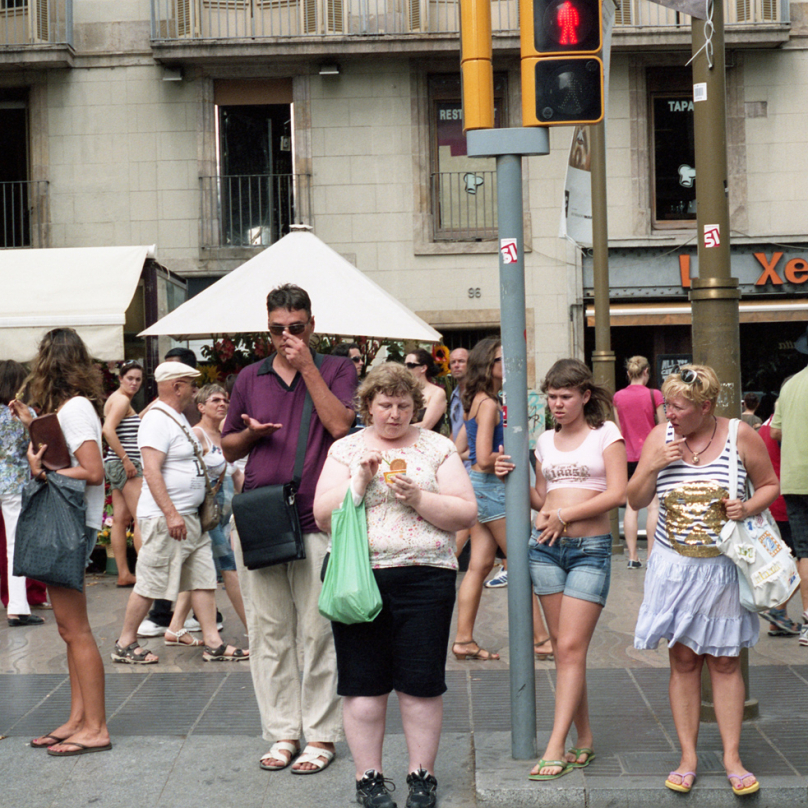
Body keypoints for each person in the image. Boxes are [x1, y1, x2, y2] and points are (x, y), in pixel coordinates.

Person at [313, 362, 476, 808]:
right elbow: (322, 516)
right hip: (358, 578)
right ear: (368, 405)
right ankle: (369, 779)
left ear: (414, 407)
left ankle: (421, 777)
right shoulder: (345, 450)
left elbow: (465, 512)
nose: (394, 414)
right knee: (363, 684)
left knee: (421, 684)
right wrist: (358, 484)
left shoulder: (436, 446)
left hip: (426, 577)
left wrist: (419, 498)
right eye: (385, 405)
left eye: (403, 405)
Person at [222, 283, 357, 774]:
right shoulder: (250, 377)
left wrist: (307, 368)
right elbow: (229, 447)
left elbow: (341, 425)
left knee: (319, 632)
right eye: (277, 329)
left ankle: (321, 734)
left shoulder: (337, 368)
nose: (286, 337)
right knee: (269, 632)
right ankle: (282, 731)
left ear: (311, 326)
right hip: (260, 518)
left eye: (295, 328)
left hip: (315, 518)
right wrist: (250, 435)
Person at [630, 365, 778, 795]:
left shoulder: (739, 435)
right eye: (666, 404)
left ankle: (732, 757)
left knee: (726, 661)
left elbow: (769, 484)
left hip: (723, 569)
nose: (668, 413)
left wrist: (746, 508)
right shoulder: (661, 438)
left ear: (705, 407)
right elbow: (634, 499)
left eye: (677, 406)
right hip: (674, 568)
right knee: (684, 660)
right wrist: (651, 466)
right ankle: (688, 757)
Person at [496, 358, 627, 780]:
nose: (557, 404)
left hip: (589, 548)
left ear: (585, 396)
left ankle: (556, 745)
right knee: (565, 648)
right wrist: (508, 478)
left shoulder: (606, 434)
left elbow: (618, 493)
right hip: (545, 548)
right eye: (551, 397)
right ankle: (583, 738)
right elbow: (541, 497)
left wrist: (567, 517)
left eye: (565, 397)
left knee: (569, 648)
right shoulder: (544, 441)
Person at [10, 328, 110, 755]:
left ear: (48, 364)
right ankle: (78, 718)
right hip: (74, 523)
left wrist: (42, 472)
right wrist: (35, 429)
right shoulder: (71, 410)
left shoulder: (75, 410)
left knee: (77, 629)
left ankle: (96, 727)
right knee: (69, 630)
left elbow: (92, 471)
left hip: (73, 526)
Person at [112, 362, 248, 665]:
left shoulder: (176, 418)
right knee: (150, 581)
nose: (195, 391)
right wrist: (171, 514)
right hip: (167, 519)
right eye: (191, 384)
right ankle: (125, 643)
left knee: (202, 579)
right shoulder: (157, 420)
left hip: (190, 518)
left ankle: (213, 643)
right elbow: (152, 470)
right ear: (176, 386)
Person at [163, 383, 247, 646]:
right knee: (229, 567)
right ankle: (255, 630)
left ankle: (175, 627)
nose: (222, 404)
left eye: (225, 400)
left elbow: (236, 474)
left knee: (199, 571)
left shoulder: (225, 436)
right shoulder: (196, 434)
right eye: (215, 400)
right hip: (206, 511)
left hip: (225, 512)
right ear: (200, 406)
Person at [453, 339, 512, 660]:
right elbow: (482, 458)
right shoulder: (489, 403)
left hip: (480, 487)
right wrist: (501, 459)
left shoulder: (476, 399)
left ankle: (463, 640)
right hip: (490, 487)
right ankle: (542, 638)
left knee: (480, 565)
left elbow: (462, 449)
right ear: (487, 364)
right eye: (500, 358)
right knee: (519, 564)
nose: (507, 362)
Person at [1, 360, 44, 627]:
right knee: (15, 546)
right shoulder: (26, 413)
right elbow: (42, 443)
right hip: (15, 484)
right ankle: (17, 607)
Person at [613, 355, 664, 567]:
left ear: (628, 374)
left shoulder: (617, 397)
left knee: (632, 506)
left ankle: (632, 557)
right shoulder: (655, 394)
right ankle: (651, 555)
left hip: (628, 456)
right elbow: (663, 427)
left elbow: (619, 428)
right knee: (653, 506)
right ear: (646, 372)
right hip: (650, 456)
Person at [770, 366, 808, 648]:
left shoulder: (791, 384)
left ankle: (807, 624)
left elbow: (775, 431)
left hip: (794, 480)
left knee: (804, 553)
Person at [758, 404, 802, 637]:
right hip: (788, 500)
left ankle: (779, 616)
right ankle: (778, 607)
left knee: (786, 558)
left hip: (771, 502)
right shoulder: (786, 427)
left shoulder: (766, 425)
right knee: (801, 559)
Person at [102, 360, 144, 587]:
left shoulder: (118, 399)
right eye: (130, 378)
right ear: (120, 378)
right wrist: (127, 460)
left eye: (138, 379)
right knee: (142, 517)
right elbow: (107, 430)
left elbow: (121, 427)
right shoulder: (121, 400)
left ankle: (124, 574)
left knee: (120, 519)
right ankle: (147, 574)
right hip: (125, 464)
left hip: (115, 462)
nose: (134, 383)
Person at [448, 347, 472, 560]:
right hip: (459, 464)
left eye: (461, 361)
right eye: (453, 362)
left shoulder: (476, 395)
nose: (456, 365)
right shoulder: (454, 395)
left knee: (466, 520)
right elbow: (454, 430)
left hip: (475, 465)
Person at [405, 349, 447, 433]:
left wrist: (398, 429)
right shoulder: (406, 391)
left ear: (423, 368)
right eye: (405, 365)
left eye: (410, 365)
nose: (406, 369)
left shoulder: (437, 392)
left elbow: (426, 425)